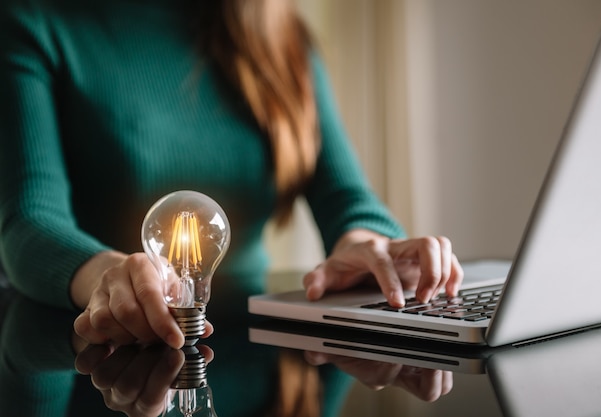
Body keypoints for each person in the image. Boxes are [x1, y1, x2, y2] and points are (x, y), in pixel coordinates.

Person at [0, 0, 463, 415]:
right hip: (105, 364)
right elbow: (29, 222)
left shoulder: (280, 33)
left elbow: (344, 195)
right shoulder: (35, 20)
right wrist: (108, 277)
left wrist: (369, 244)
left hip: (267, 363)